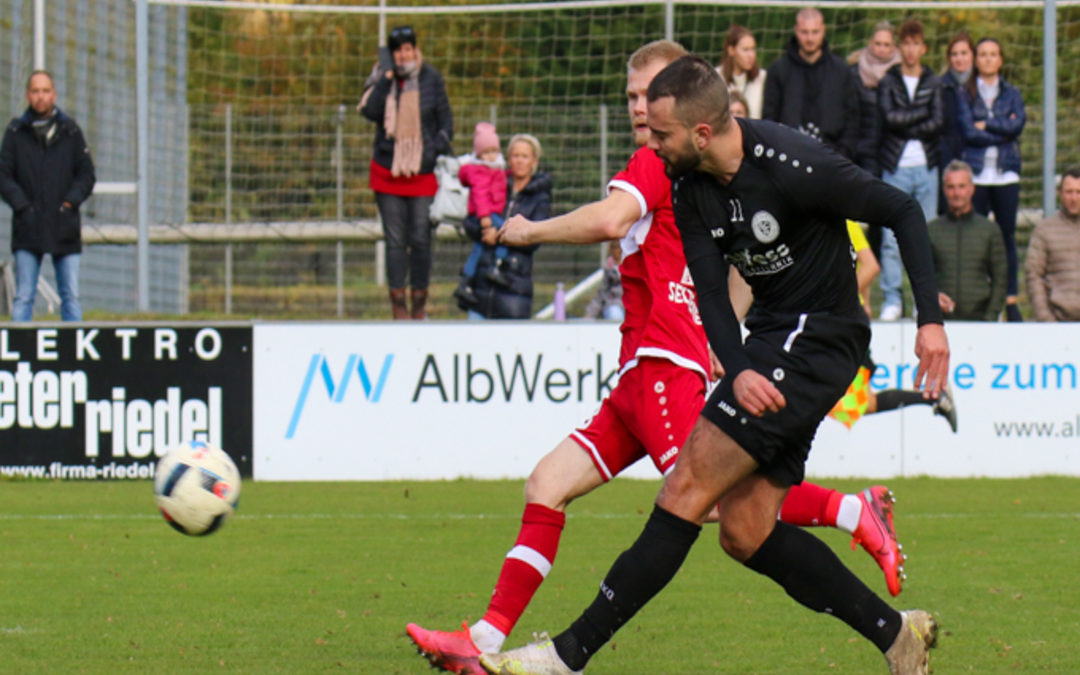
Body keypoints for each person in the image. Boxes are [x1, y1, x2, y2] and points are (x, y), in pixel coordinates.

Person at [407, 42, 909, 675]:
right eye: (630, 97)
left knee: (710, 502)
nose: (638, 108)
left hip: (666, 363)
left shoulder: (657, 161)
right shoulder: (689, 170)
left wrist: (529, 229)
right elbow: (735, 273)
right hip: (638, 370)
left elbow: (613, 219)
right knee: (548, 482)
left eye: (647, 95)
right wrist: (725, 342)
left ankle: (849, 510)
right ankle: (482, 639)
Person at [829, 221, 958, 434]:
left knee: (829, 399)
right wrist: (866, 302)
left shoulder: (841, 222)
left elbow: (870, 266)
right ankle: (934, 398)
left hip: (841, 324)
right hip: (845, 322)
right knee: (860, 404)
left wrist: (836, 304)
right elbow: (858, 267)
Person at [360, 25, 453, 320]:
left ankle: (420, 303)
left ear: (415, 49)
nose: (404, 55)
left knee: (421, 238)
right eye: (399, 50)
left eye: (409, 48)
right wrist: (387, 79)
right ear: (392, 53)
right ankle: (398, 303)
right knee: (396, 241)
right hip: (387, 174)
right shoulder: (382, 78)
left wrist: (430, 151)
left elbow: (446, 124)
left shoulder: (431, 78)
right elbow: (370, 112)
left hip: (422, 175)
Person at [0, 70, 95, 322]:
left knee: (71, 296)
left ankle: (75, 354)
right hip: (28, 226)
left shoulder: (70, 131)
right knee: (23, 297)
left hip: (64, 226)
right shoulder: (15, 132)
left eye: (45, 91)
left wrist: (68, 203)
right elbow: (4, 176)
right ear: (27, 95)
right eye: (35, 91)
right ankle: (18, 356)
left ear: (54, 94)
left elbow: (86, 175)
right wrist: (22, 207)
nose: (40, 96)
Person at [876, 18, 945, 321]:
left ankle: (924, 300)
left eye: (916, 44)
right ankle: (893, 299)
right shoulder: (888, 81)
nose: (911, 50)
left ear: (924, 47)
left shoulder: (934, 82)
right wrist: (920, 116)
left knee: (926, 236)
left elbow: (939, 121)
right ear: (899, 47)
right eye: (906, 43)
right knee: (891, 239)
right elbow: (889, 118)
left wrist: (909, 118)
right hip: (895, 166)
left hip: (927, 167)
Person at [956, 37, 1025, 322]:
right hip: (977, 175)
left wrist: (987, 124)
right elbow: (968, 131)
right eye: (982, 54)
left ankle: (1010, 298)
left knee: (1006, 237)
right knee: (979, 237)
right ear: (976, 59)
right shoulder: (965, 93)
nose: (987, 59)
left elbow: (1016, 125)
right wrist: (1001, 129)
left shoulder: (1012, 93)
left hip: (1005, 174)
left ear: (1000, 60)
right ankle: (984, 299)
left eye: (992, 54)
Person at [461, 133, 552, 320]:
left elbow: (535, 239)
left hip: (514, 290)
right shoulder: (492, 182)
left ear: (534, 160)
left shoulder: (540, 197)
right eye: (515, 155)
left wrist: (500, 235)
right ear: (508, 158)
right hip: (481, 286)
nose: (519, 161)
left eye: (524, 156)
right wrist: (484, 231)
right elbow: (469, 220)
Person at [762, 7, 859, 159]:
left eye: (815, 32)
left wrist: (843, 153)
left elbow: (853, 118)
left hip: (833, 159)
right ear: (796, 30)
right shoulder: (778, 70)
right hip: (787, 157)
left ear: (824, 30)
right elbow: (769, 117)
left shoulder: (842, 71)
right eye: (804, 32)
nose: (810, 39)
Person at [927, 160, 1007, 322]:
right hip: (940, 323)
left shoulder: (989, 230)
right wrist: (931, 298)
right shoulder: (931, 230)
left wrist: (990, 317)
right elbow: (921, 276)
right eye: (951, 187)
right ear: (944, 190)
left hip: (981, 320)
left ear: (972, 189)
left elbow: (1001, 278)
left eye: (962, 186)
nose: (957, 193)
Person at [453, 122, 509, 308]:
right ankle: (497, 264)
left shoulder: (496, 169)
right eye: (486, 152)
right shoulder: (480, 171)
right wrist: (485, 216)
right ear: (478, 154)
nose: (491, 156)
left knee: (478, 248)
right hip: (486, 214)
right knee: (507, 230)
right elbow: (480, 194)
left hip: (490, 211)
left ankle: (466, 281)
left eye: (494, 151)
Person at [1025, 166, 1080, 322]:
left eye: (1078, 192)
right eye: (1069, 192)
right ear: (1060, 193)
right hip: (1056, 322)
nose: (1074, 198)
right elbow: (1033, 275)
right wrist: (1046, 318)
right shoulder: (1044, 230)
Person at [848, 21, 900, 179]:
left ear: (893, 47)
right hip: (860, 150)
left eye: (886, 44)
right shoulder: (853, 72)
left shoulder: (901, 74)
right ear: (870, 44)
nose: (882, 49)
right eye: (878, 43)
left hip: (892, 152)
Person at [938, 32, 976, 215]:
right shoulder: (940, 87)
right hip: (948, 163)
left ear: (972, 55)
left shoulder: (983, 86)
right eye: (955, 54)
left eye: (964, 53)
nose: (959, 59)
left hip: (978, 162)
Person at [715, 25, 766, 119]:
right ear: (731, 50)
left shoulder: (763, 78)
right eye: (745, 50)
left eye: (753, 49)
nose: (751, 55)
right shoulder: (715, 78)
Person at [582, 240, 624, 321]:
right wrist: (589, 315)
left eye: (618, 248)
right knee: (615, 314)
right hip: (615, 305)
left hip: (633, 306)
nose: (615, 252)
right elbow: (601, 295)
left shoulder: (635, 266)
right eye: (613, 249)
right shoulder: (609, 270)